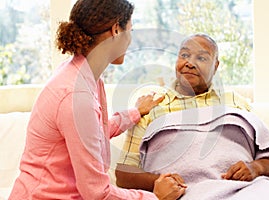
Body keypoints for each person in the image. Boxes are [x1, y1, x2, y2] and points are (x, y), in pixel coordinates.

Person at [8, 0, 186, 199]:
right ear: (116, 30)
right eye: (131, 31)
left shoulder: (85, 74)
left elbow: (93, 133)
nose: (131, 40)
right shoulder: (75, 95)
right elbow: (97, 194)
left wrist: (135, 113)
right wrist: (156, 196)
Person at [115, 33, 269, 192]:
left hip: (243, 190)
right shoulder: (152, 105)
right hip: (184, 193)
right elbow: (123, 175)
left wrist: (255, 168)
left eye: (201, 58)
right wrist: (159, 181)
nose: (189, 63)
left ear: (216, 66)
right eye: (184, 55)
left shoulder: (235, 102)